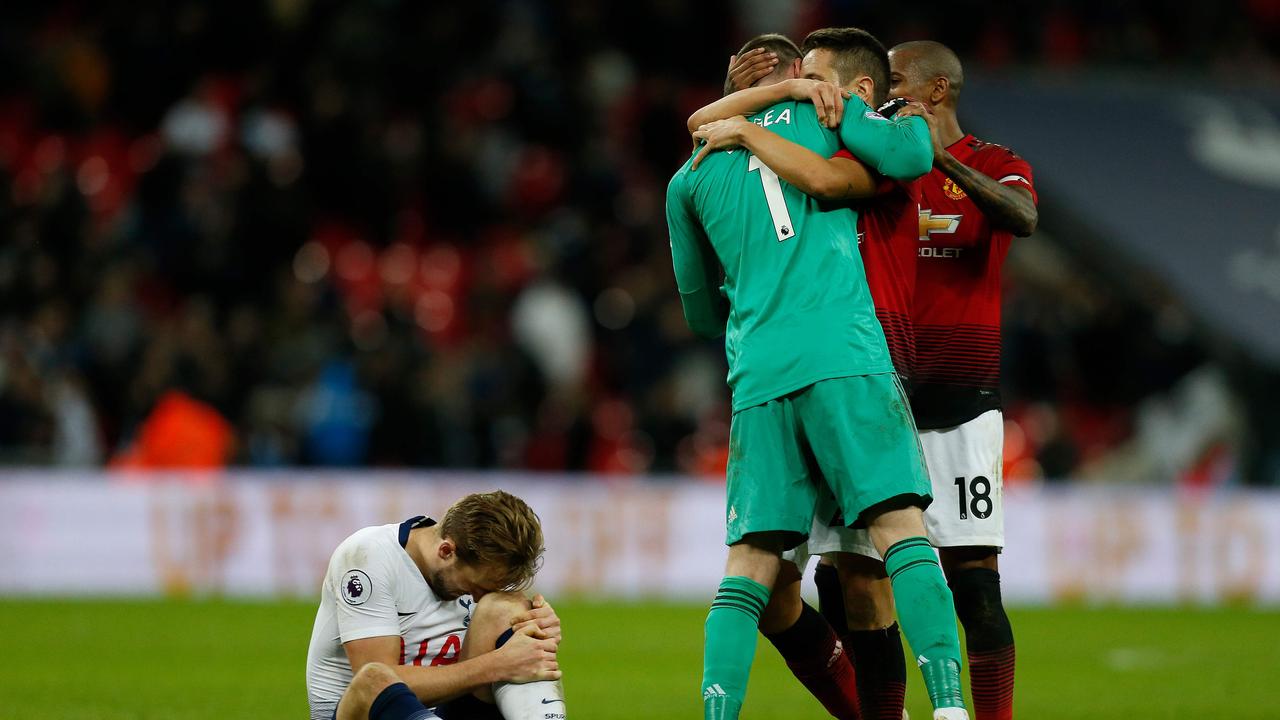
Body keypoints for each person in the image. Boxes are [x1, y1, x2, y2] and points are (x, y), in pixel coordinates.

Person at [666, 27, 968, 720]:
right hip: (844, 353)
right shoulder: (826, 111)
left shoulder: (689, 172)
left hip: (758, 374)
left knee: (748, 570)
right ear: (801, 70)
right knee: (898, 531)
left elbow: (700, 315)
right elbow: (914, 151)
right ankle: (950, 707)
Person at [885, 40, 1038, 720]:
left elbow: (1023, 218)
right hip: (881, 402)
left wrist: (936, 159)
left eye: (893, 80)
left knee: (975, 589)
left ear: (937, 90)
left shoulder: (997, 164)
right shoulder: (879, 169)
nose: (880, 91)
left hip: (963, 407)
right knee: (852, 584)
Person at [305, 490, 567, 720]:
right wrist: (498, 664)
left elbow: (509, 624)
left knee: (508, 609)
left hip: (445, 710)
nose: (476, 598)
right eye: (477, 586)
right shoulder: (368, 557)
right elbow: (378, 688)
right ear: (446, 551)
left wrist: (537, 627)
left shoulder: (476, 576)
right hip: (371, 713)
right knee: (375, 677)